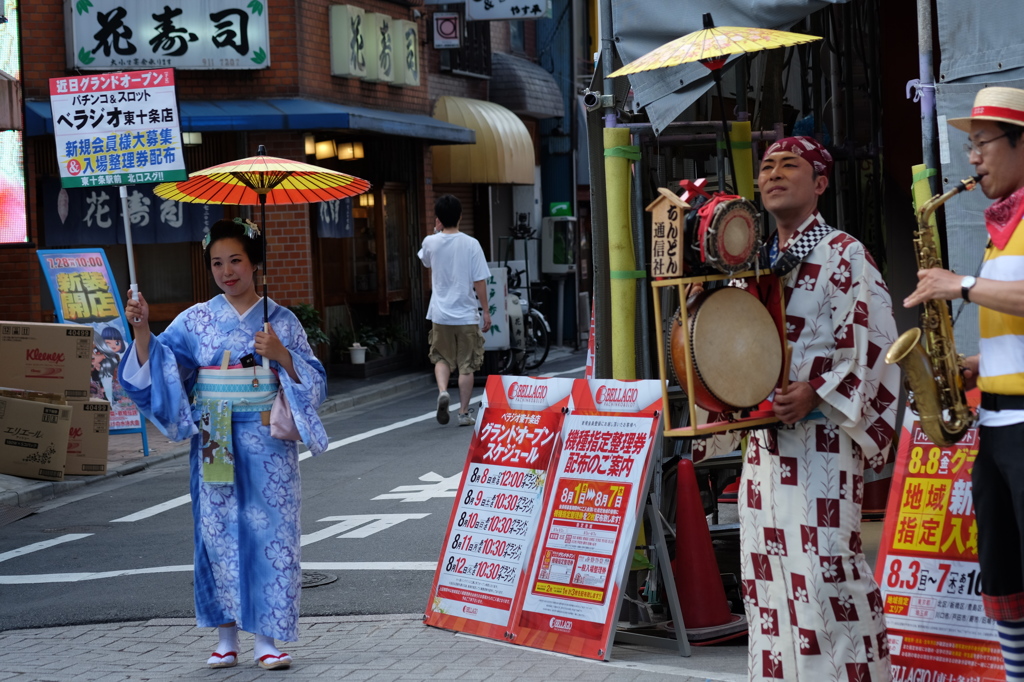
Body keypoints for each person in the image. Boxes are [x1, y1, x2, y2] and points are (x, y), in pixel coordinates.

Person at [118, 218, 329, 671]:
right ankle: (226, 636)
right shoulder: (195, 320)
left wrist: (282, 356)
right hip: (215, 435)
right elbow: (162, 365)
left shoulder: (281, 321)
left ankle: (268, 639)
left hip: (268, 443)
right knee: (218, 534)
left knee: (273, 536)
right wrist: (141, 330)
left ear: (255, 264)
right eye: (217, 262)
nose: (226, 271)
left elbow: (314, 381)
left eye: (236, 260)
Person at [739, 137, 901, 681]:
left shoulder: (845, 253)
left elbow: (875, 343)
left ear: (821, 183)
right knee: (768, 580)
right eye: (766, 167)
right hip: (763, 448)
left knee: (828, 571)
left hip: (822, 440)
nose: (774, 174)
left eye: (791, 165)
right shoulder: (755, 260)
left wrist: (815, 391)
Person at [903, 86, 1024, 681]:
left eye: (982, 145)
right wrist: (978, 363)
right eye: (970, 147)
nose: (972, 160)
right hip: (998, 425)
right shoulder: (1004, 227)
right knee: (1003, 576)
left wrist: (963, 286)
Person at [418, 194, 492, 426]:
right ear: (461, 215)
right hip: (466, 313)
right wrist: (486, 311)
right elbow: (479, 282)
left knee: (441, 357)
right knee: (467, 365)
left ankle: (442, 391)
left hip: (440, 314)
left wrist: (435, 230)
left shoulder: (430, 242)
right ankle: (462, 412)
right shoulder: (471, 244)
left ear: (438, 218)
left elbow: (426, 262)